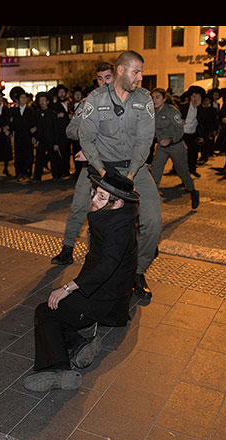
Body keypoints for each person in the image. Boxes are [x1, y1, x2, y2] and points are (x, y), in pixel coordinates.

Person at [24, 170, 140, 392]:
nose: (94, 200)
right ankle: (80, 345)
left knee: (46, 311)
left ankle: (58, 369)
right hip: (103, 292)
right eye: (95, 193)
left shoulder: (119, 230)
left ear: (116, 204)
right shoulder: (117, 218)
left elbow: (106, 266)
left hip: (105, 300)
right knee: (57, 310)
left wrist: (68, 288)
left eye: (101, 197)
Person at [75, 51, 160, 303]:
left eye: (141, 72)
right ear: (121, 71)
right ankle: (99, 276)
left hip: (137, 170)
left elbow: (145, 140)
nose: (140, 77)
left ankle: (138, 272)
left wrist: (131, 174)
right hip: (105, 170)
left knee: (152, 223)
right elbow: (86, 139)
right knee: (100, 228)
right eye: (137, 72)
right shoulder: (96, 99)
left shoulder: (143, 99)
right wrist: (102, 173)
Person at [52, 61, 115, 267]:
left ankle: (112, 254)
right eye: (100, 78)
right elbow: (70, 130)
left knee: (115, 211)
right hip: (89, 168)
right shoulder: (88, 103)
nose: (104, 82)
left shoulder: (125, 102)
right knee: (79, 206)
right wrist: (84, 134)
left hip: (115, 166)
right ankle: (67, 249)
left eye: (108, 77)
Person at [149, 88, 199, 209]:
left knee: (183, 173)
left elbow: (181, 129)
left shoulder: (172, 111)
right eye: (153, 97)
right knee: (155, 172)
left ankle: (193, 192)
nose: (154, 100)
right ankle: (151, 200)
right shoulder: (152, 112)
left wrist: (171, 139)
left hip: (176, 146)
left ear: (164, 99)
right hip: (161, 147)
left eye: (157, 97)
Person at [9, 87, 37, 180]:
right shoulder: (14, 111)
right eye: (21, 98)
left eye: (25, 98)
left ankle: (27, 172)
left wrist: (34, 136)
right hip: (18, 135)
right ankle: (19, 172)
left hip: (27, 135)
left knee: (28, 154)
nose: (23, 100)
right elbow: (12, 123)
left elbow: (33, 123)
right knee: (18, 154)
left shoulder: (30, 110)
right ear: (18, 99)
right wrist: (9, 130)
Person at [179, 86, 206, 178]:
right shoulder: (183, 107)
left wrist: (201, 136)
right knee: (182, 156)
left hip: (193, 134)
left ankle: (192, 170)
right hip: (182, 134)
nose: (195, 99)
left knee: (193, 154)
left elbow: (203, 122)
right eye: (194, 96)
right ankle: (184, 175)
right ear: (190, 97)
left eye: (198, 97)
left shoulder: (201, 109)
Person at [33, 92, 60, 181]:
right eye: (40, 100)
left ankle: (56, 175)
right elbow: (36, 127)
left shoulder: (52, 113)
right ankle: (37, 176)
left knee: (53, 158)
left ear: (48, 102)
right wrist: (35, 137)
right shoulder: (36, 113)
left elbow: (56, 128)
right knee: (39, 158)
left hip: (51, 139)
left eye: (44, 100)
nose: (42, 102)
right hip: (41, 140)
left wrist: (56, 143)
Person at [51, 84, 72, 177]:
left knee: (68, 152)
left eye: (63, 92)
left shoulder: (70, 104)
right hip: (60, 133)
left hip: (70, 132)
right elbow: (53, 117)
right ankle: (62, 171)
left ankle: (66, 169)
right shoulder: (54, 106)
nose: (62, 94)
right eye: (60, 93)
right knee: (61, 152)